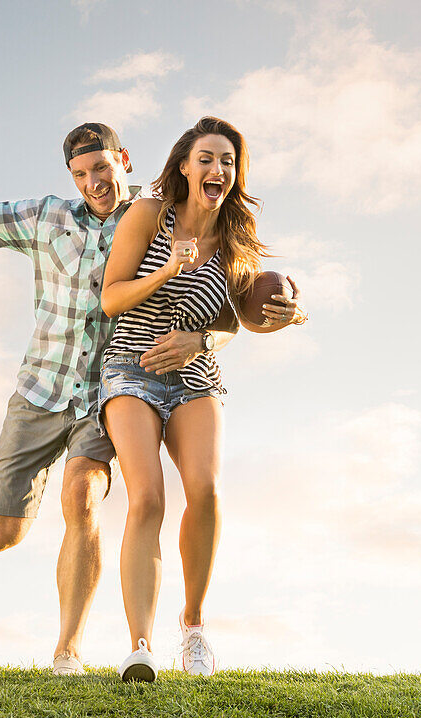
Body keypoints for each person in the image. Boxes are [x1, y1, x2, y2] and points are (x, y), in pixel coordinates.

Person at [0, 123, 244, 676]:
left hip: (107, 384)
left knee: (82, 496)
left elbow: (220, 300)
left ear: (123, 160)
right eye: (81, 174)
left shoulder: (151, 215)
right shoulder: (48, 216)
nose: (94, 182)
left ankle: (67, 651)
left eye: (102, 168)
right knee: (5, 530)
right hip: (41, 389)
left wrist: (215, 330)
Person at [99, 116, 307, 681]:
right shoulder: (149, 215)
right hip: (133, 368)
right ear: (186, 166)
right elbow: (112, 298)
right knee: (147, 498)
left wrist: (289, 313)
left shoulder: (236, 236)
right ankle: (139, 646)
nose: (218, 169)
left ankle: (192, 630)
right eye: (208, 158)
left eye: (228, 161)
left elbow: (241, 319)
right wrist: (169, 266)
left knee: (207, 492)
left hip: (196, 378)